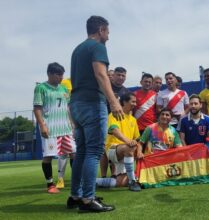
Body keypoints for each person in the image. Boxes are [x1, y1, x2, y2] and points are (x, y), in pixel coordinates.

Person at [67, 15, 124, 212]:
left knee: (82, 151)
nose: (108, 35)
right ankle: (87, 200)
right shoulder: (98, 47)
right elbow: (100, 74)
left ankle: (75, 196)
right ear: (100, 30)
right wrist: (114, 100)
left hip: (76, 104)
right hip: (92, 103)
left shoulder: (77, 49)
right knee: (93, 151)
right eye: (107, 31)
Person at [33, 62, 76, 194]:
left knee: (74, 153)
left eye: (62, 75)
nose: (61, 77)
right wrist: (42, 125)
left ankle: (77, 181)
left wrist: (72, 123)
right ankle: (50, 184)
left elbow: (68, 107)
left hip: (66, 128)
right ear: (50, 74)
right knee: (48, 156)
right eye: (58, 74)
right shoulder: (41, 88)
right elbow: (37, 108)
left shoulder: (63, 89)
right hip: (50, 129)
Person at [96, 93, 142, 191]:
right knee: (129, 148)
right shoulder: (115, 114)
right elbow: (113, 130)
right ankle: (132, 182)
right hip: (113, 149)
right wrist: (128, 142)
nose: (135, 104)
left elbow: (137, 139)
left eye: (136, 102)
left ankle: (93, 182)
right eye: (133, 101)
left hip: (126, 152)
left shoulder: (133, 120)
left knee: (120, 183)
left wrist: (139, 151)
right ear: (124, 102)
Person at [100, 66, 129, 178]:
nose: (121, 77)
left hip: (119, 124)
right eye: (118, 75)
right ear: (113, 76)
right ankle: (103, 176)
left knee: (115, 148)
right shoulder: (105, 88)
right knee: (104, 150)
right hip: (103, 123)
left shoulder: (126, 91)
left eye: (123, 75)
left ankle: (114, 174)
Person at [177, 94, 209, 166]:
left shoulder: (207, 119)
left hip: (202, 147)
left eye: (195, 103)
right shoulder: (183, 120)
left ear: (200, 105)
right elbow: (181, 139)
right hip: (189, 148)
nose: (193, 106)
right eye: (191, 104)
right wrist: (186, 151)